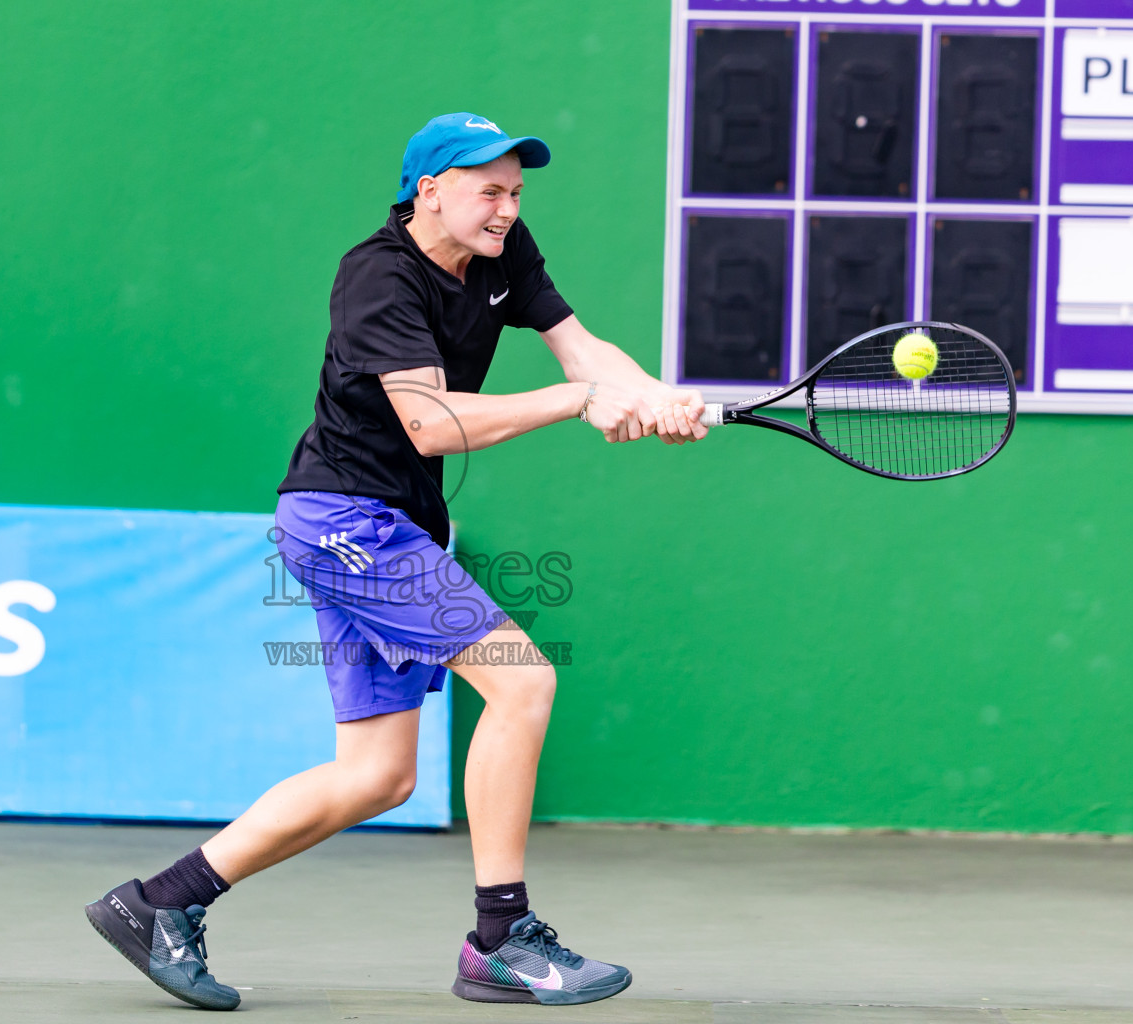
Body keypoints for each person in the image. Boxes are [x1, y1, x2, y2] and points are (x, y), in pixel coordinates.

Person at [84, 111, 706, 1010]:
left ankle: (159, 905)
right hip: (346, 518)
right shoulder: (377, 275)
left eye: (515, 192)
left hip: (392, 521)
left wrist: (652, 396)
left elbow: (582, 346)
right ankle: (501, 936)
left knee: (377, 774)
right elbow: (432, 421)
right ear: (431, 191)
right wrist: (579, 402)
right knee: (523, 682)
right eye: (488, 191)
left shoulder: (503, 252)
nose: (505, 208)